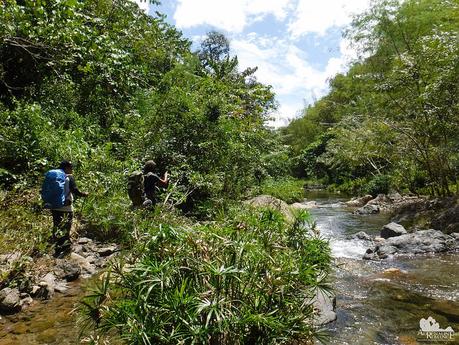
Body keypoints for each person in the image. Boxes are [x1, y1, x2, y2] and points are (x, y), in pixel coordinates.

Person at [51, 160, 88, 257]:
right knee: (66, 227)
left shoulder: (54, 177)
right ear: (66, 168)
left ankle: (57, 248)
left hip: (54, 207)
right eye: (71, 167)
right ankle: (66, 249)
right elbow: (75, 190)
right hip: (66, 207)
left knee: (57, 226)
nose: (72, 169)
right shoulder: (69, 177)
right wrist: (84, 194)